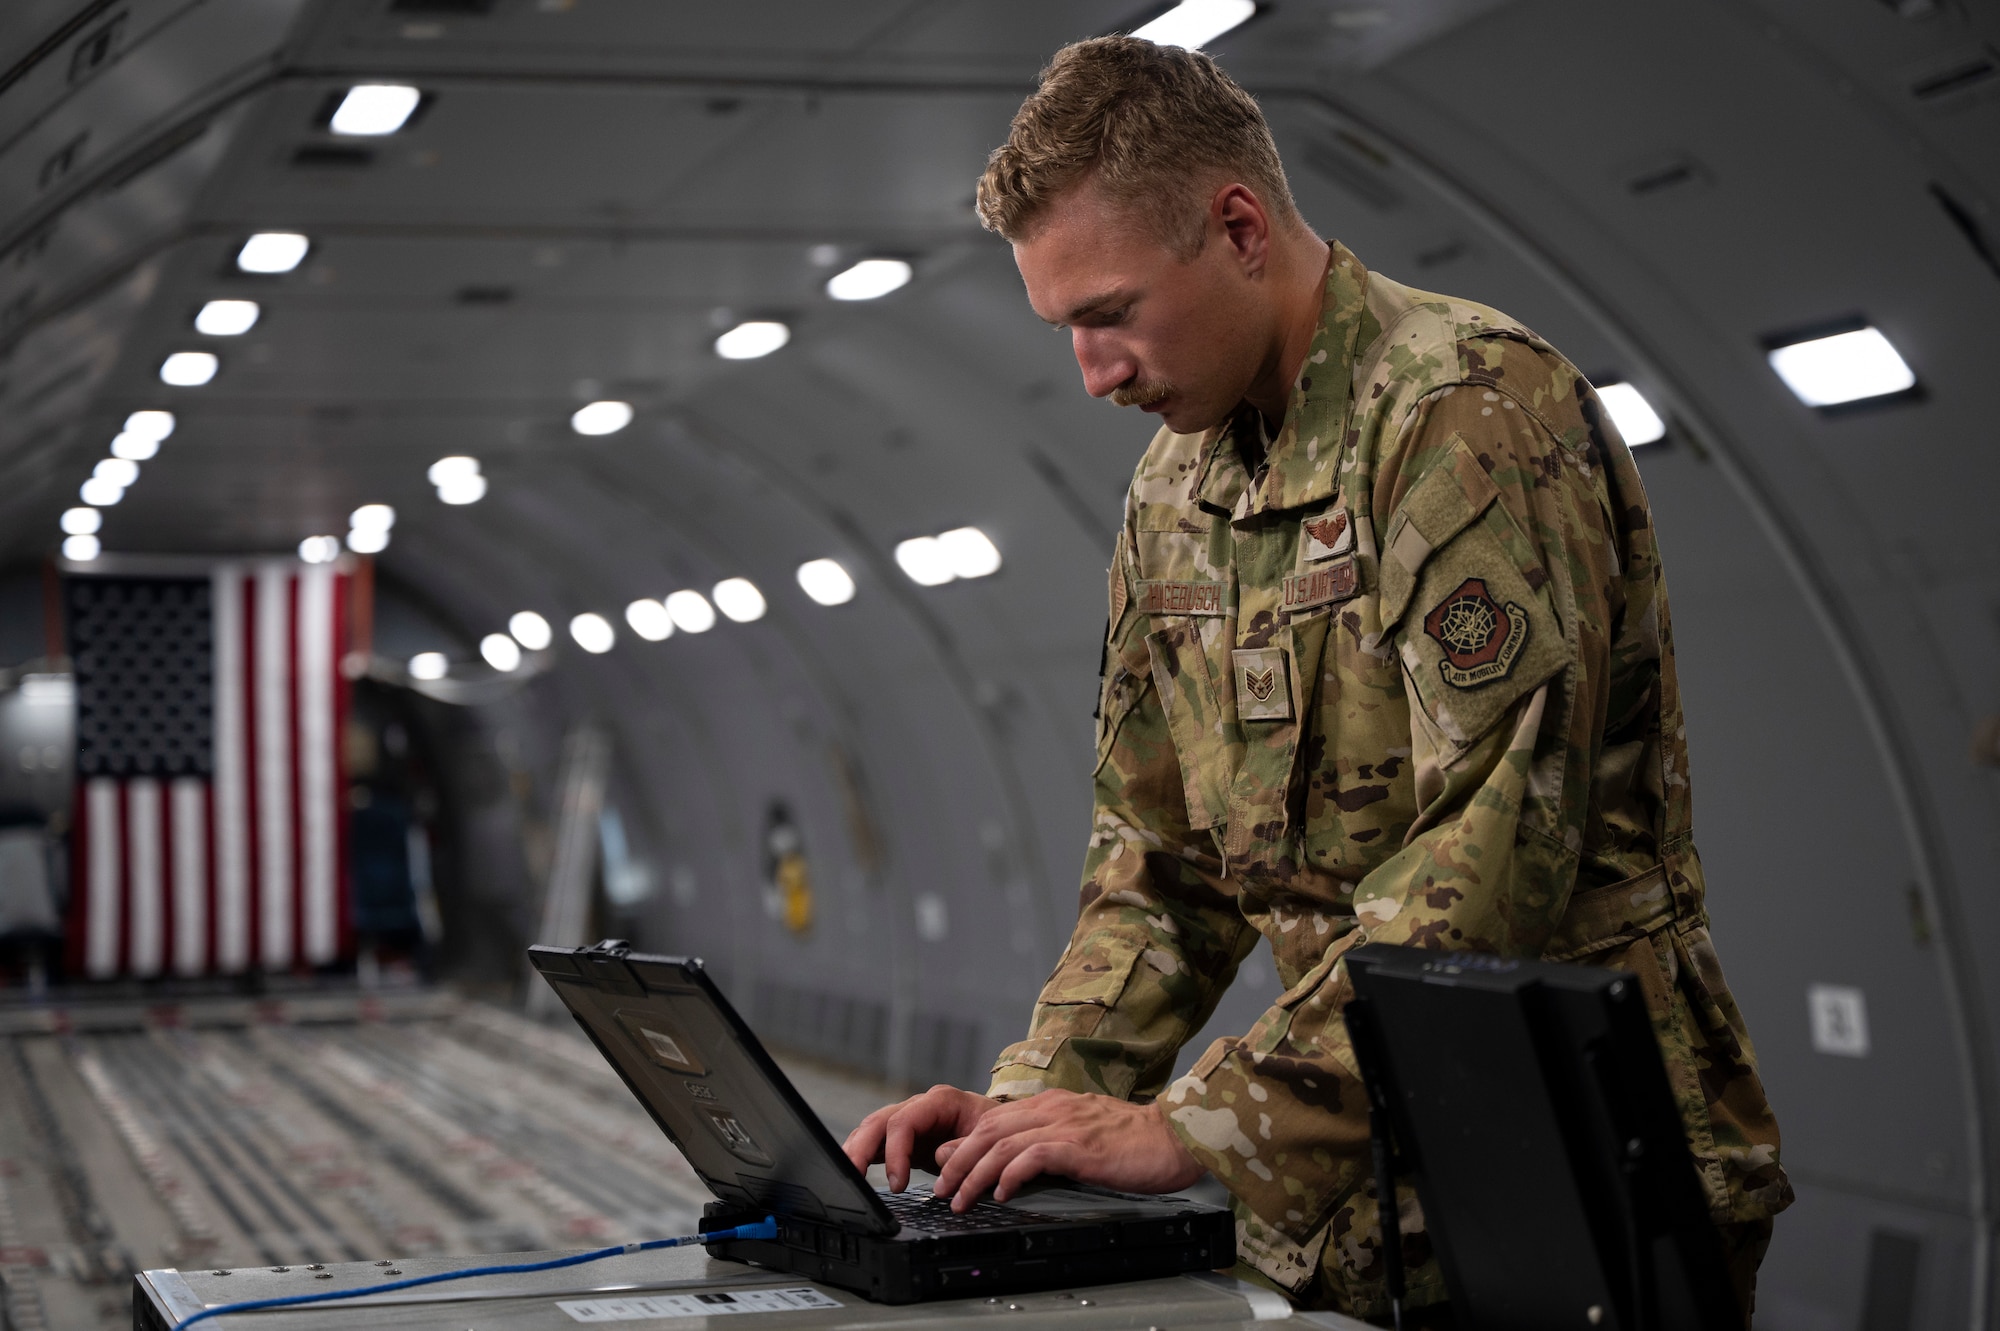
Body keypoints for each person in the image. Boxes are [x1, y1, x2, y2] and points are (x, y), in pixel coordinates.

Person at [843, 35, 1792, 1326]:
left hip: (1566, 1152)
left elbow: (1492, 856)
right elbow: (1158, 864)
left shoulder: (1463, 410)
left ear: (1238, 227)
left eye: (1111, 314)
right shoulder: (1179, 483)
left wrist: (1202, 1128)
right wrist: (1028, 1114)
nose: (1096, 374)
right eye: (1067, 330)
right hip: (1349, 1172)